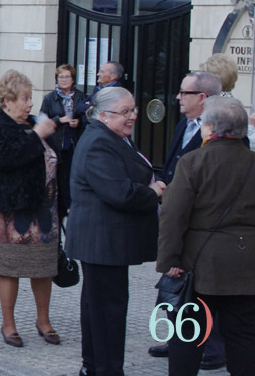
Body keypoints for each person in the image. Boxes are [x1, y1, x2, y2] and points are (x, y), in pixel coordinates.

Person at [68, 87, 164, 375]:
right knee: (107, 312)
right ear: (104, 115)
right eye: (125, 112)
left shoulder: (112, 136)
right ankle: (105, 369)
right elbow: (119, 192)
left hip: (106, 241)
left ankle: (95, 366)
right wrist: (154, 192)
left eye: (133, 109)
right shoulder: (99, 140)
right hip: (102, 241)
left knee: (100, 310)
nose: (133, 116)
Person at [157, 96, 255, 375]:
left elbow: (173, 216)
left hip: (199, 264)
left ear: (210, 128)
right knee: (244, 336)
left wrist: (169, 261)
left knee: (189, 333)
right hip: (247, 265)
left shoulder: (193, 162)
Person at [0, 69, 60, 349]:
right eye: (24, 98)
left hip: (44, 208)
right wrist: (36, 135)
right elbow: (3, 159)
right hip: (9, 209)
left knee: (43, 267)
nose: (30, 104)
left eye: (30, 98)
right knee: (9, 268)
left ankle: (43, 321)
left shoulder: (38, 124)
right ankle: (8, 324)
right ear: (7, 100)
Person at [149, 70, 225, 367]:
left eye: (185, 92)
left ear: (203, 98)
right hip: (176, 218)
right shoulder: (185, 125)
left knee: (204, 289)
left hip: (201, 226)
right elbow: (172, 166)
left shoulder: (224, 133)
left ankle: (214, 348)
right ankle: (180, 340)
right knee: (176, 285)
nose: (178, 97)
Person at [39, 64, 89, 220]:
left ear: (73, 79)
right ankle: (60, 208)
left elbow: (89, 117)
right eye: (61, 77)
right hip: (56, 143)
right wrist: (58, 120)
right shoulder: (50, 98)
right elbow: (41, 119)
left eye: (67, 76)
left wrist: (78, 122)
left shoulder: (81, 97)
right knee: (59, 178)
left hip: (75, 141)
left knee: (73, 176)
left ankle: (72, 207)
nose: (64, 80)